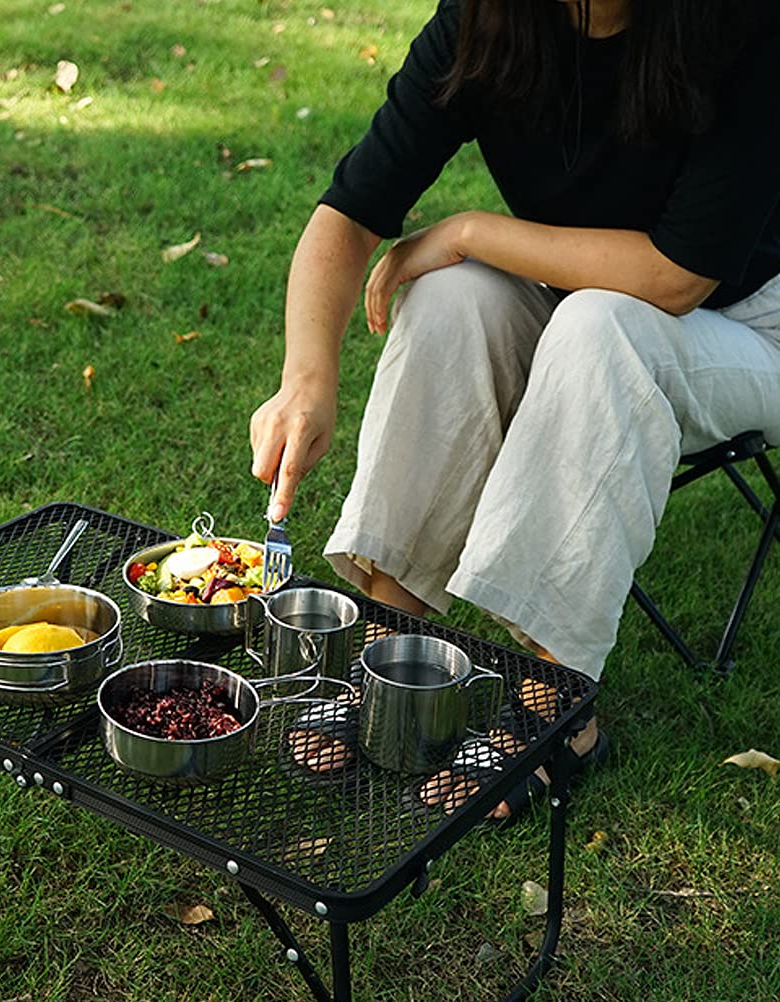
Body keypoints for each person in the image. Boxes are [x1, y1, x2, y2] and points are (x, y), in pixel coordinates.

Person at [248, 0, 780, 820]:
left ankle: (556, 703)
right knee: (451, 300)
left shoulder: (741, 24)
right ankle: (393, 646)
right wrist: (306, 378)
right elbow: (350, 212)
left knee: (600, 327)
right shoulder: (489, 17)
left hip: (747, 322)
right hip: (579, 291)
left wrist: (469, 230)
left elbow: (679, 275)